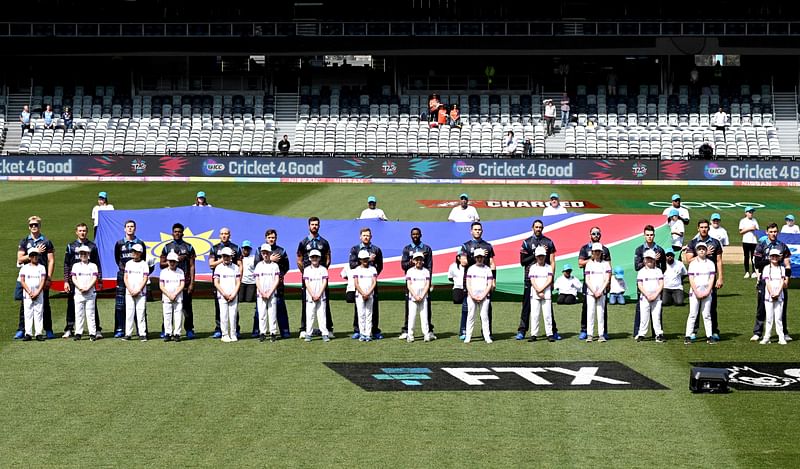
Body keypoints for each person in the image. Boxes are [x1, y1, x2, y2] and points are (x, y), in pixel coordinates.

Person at [15, 215, 55, 340]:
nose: (33, 227)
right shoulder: (24, 241)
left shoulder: (46, 241)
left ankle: (48, 329)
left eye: (36, 225)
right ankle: (22, 330)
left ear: (39, 226)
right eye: (31, 225)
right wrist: (34, 251)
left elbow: (51, 260)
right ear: (29, 226)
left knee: (45, 304)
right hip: (27, 277)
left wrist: (49, 277)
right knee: (24, 305)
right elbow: (20, 259)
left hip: (41, 275)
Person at [515, 219, 557, 340]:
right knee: (527, 305)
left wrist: (552, 278)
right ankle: (522, 331)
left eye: (540, 227)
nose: (538, 229)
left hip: (545, 278)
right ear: (532, 228)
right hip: (530, 278)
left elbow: (552, 261)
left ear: (542, 228)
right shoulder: (527, 242)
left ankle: (553, 331)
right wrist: (536, 253)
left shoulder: (548, 242)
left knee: (548, 306)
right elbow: (522, 262)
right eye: (536, 227)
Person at [750, 223, 792, 342]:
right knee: (761, 307)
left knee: (781, 307)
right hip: (765, 280)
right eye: (771, 231)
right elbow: (757, 264)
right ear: (767, 232)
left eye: (775, 231)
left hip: (780, 279)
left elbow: (787, 264)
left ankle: (784, 332)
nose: (773, 233)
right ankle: (758, 332)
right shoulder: (761, 245)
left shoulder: (782, 246)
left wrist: (787, 280)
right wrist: (771, 260)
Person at [685, 219, 725, 341]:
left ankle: (714, 331)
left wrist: (720, 277)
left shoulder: (715, 242)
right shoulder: (693, 243)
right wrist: (703, 253)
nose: (704, 229)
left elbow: (719, 260)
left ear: (709, 228)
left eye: (706, 227)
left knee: (712, 307)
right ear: (698, 228)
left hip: (710, 279)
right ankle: (693, 331)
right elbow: (688, 259)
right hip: (697, 280)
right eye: (701, 227)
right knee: (695, 309)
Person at [296, 217, 334, 339]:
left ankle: (328, 328)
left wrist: (322, 271)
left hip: (321, 276)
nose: (314, 226)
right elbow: (299, 260)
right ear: (309, 226)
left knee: (324, 302)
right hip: (308, 276)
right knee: (306, 302)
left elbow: (328, 258)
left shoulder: (324, 242)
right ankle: (304, 329)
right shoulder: (303, 242)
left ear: (319, 226)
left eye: (316, 224)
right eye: (312, 224)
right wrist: (305, 272)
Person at [63, 223, 103, 338]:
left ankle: (96, 329)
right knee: (72, 305)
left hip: (89, 279)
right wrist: (66, 280)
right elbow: (66, 264)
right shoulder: (71, 246)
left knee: (92, 305)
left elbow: (97, 263)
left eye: (84, 230)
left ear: (87, 232)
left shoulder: (92, 246)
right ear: (76, 232)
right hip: (74, 279)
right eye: (80, 230)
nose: (82, 232)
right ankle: (70, 328)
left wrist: (99, 279)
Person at [459, 222, 496, 340]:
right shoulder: (466, 246)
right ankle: (463, 331)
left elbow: (492, 263)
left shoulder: (488, 246)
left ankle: (487, 333)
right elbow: (463, 262)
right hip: (470, 279)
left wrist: (494, 280)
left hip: (485, 280)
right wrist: (475, 256)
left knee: (486, 309)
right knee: (466, 307)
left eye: (479, 229)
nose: (478, 231)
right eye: (475, 229)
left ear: (482, 231)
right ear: (471, 231)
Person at [159, 223, 196, 339]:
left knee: (187, 307)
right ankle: (166, 330)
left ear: (183, 233)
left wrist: (192, 283)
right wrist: (174, 260)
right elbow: (161, 264)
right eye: (175, 231)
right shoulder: (167, 247)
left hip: (184, 281)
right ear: (172, 233)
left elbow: (192, 266)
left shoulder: (189, 247)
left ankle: (189, 329)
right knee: (168, 307)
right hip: (170, 281)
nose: (177, 233)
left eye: (179, 231)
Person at [348, 227, 384, 339]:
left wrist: (371, 271)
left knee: (373, 306)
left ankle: (374, 330)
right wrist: (367, 261)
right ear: (360, 237)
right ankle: (358, 330)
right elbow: (352, 265)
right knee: (359, 307)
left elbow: (380, 266)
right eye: (364, 235)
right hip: (359, 281)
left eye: (368, 235)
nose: (366, 237)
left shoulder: (376, 249)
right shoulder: (355, 249)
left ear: (371, 236)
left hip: (371, 281)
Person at [399, 227, 434, 340]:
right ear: (411, 235)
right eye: (413, 234)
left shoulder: (426, 248)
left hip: (424, 281)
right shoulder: (407, 249)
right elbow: (403, 265)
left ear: (420, 235)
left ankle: (429, 331)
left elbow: (429, 266)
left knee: (426, 309)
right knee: (409, 309)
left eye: (417, 234)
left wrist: (429, 281)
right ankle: (406, 330)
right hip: (411, 281)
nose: (415, 236)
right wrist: (412, 260)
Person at [113, 220, 146, 338]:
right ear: (124, 229)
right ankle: (120, 328)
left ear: (135, 228)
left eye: (132, 226)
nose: (130, 229)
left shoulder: (140, 243)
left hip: (137, 276)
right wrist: (124, 269)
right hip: (123, 276)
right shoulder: (119, 243)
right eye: (128, 227)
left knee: (139, 304)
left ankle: (140, 330)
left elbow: (144, 259)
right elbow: (117, 259)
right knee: (120, 304)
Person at [632, 225, 666, 338]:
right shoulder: (639, 249)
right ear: (644, 235)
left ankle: (657, 333)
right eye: (647, 235)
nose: (649, 237)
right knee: (640, 309)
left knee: (657, 310)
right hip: (643, 283)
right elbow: (637, 267)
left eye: (651, 235)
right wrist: (648, 261)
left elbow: (664, 267)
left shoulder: (660, 250)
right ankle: (638, 333)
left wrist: (656, 264)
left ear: (654, 235)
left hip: (656, 282)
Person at [578, 227, 612, 340]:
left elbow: (609, 267)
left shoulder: (606, 250)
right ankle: (585, 331)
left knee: (602, 310)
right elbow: (580, 263)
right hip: (589, 284)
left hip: (602, 286)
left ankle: (603, 332)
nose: (596, 235)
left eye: (598, 233)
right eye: (593, 233)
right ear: (590, 235)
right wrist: (591, 259)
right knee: (587, 309)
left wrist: (608, 284)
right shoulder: (584, 248)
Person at [256, 229, 291, 338]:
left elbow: (286, 266)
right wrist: (270, 259)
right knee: (259, 310)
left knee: (280, 307)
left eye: (273, 237)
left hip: (277, 284)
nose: (271, 239)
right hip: (262, 284)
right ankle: (257, 331)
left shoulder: (281, 250)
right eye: (269, 237)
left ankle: (284, 331)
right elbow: (256, 264)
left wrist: (279, 277)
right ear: (266, 238)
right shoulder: (259, 250)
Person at [209, 227, 242, 339]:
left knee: (234, 310)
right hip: (219, 280)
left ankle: (235, 330)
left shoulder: (236, 248)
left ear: (229, 235)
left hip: (232, 280)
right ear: (219, 235)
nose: (224, 236)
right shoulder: (215, 248)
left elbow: (240, 264)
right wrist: (222, 260)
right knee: (219, 308)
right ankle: (220, 330)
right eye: (222, 234)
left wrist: (238, 278)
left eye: (226, 234)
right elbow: (211, 264)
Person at [685, 242, 717, 345]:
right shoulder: (693, 264)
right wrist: (697, 292)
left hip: (707, 292)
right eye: (699, 249)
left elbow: (712, 278)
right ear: (696, 251)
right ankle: (688, 335)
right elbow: (691, 279)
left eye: (703, 249)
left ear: (706, 250)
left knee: (707, 314)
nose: (702, 250)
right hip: (695, 292)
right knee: (693, 314)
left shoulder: (710, 263)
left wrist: (708, 291)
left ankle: (709, 336)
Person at [464, 248, 494, 344]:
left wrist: (483, 296)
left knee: (484, 316)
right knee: (471, 316)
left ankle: (487, 337)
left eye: (481, 257)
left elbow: (489, 284)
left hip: (484, 297)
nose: (479, 259)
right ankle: (468, 337)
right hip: (472, 297)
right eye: (477, 257)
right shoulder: (471, 269)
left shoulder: (488, 269)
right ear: (475, 258)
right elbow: (468, 284)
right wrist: (472, 295)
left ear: (484, 258)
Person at [760, 248, 789, 345]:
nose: (774, 258)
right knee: (769, 318)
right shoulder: (766, 268)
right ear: (769, 257)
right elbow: (767, 282)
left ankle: (781, 337)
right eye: (772, 256)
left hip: (779, 296)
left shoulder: (782, 269)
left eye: (776, 256)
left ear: (779, 257)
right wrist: (772, 293)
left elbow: (782, 282)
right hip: (769, 296)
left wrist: (777, 293)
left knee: (778, 318)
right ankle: (766, 337)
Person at [635, 250, 665, 343]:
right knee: (644, 317)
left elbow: (661, 284)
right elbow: (640, 285)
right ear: (644, 260)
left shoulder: (658, 271)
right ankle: (641, 334)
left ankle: (659, 334)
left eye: (651, 258)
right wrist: (647, 294)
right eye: (647, 258)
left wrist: (655, 295)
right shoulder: (641, 272)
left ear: (654, 260)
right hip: (644, 297)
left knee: (656, 317)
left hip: (656, 298)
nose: (649, 260)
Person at [70, 246, 99, 341]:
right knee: (78, 314)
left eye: (85, 253)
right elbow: (74, 278)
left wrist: (87, 287)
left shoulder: (93, 266)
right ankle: (78, 333)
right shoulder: (75, 266)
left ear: (88, 255)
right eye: (81, 254)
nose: (83, 255)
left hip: (90, 293)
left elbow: (94, 278)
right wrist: (80, 287)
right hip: (79, 293)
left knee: (90, 313)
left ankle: (92, 333)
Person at [584, 243, 611, 343]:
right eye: (595, 251)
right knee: (590, 313)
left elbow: (607, 279)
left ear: (601, 252)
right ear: (592, 252)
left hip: (601, 293)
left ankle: (601, 335)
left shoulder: (606, 264)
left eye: (598, 251)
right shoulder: (589, 264)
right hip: (591, 293)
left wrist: (600, 291)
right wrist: (593, 291)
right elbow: (587, 280)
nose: (597, 253)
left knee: (601, 313)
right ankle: (590, 335)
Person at [19, 248, 47, 341]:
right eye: (33, 255)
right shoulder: (24, 268)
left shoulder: (41, 267)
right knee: (28, 313)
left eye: (36, 255)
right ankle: (28, 333)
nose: (35, 257)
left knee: (39, 313)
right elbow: (22, 281)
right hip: (27, 294)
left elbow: (43, 280)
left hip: (38, 293)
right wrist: (30, 292)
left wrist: (37, 292)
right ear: (29, 257)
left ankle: (39, 333)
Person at [213, 247, 241, 343]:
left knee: (233, 316)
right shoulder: (218, 267)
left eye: (227, 256)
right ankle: (224, 335)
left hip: (233, 295)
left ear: (231, 257)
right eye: (224, 256)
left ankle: (233, 334)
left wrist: (233, 294)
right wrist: (224, 294)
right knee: (223, 315)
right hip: (222, 295)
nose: (225, 258)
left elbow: (238, 282)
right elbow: (216, 283)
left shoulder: (236, 268)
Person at [254, 244, 281, 342]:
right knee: (262, 314)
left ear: (270, 253)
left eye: (267, 253)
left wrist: (270, 292)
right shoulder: (259, 265)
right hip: (261, 294)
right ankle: (262, 333)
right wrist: (262, 292)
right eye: (263, 253)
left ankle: (273, 332)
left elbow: (276, 280)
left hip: (272, 293)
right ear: (261, 254)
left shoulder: (275, 266)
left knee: (272, 313)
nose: (265, 255)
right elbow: (257, 280)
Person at [527, 246, 555, 342]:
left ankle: (549, 334)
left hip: (546, 294)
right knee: (535, 315)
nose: (540, 258)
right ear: (536, 256)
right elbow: (532, 280)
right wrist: (538, 290)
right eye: (539, 256)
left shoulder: (549, 267)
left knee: (547, 315)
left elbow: (549, 280)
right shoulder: (532, 267)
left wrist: (541, 290)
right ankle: (534, 334)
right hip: (535, 294)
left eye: (542, 256)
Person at [302, 250, 330, 342]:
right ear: (310, 258)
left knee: (322, 316)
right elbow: (306, 283)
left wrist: (319, 294)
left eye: (316, 257)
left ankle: (325, 334)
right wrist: (313, 294)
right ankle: (308, 334)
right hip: (310, 297)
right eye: (313, 257)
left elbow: (324, 282)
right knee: (310, 316)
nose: (314, 259)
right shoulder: (306, 270)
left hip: (321, 297)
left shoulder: (323, 269)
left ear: (319, 258)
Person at [123, 244, 149, 341]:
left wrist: (138, 290)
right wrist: (130, 289)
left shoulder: (144, 264)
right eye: (133, 251)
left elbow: (145, 278)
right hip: (129, 292)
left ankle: (142, 333)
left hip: (141, 293)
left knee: (140, 313)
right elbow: (125, 277)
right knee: (129, 313)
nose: (133, 253)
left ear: (140, 253)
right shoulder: (128, 263)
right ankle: (128, 334)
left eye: (136, 251)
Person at [405, 252, 432, 342]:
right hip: (413, 298)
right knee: (411, 317)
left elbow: (427, 285)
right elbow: (409, 285)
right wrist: (415, 296)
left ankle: (426, 334)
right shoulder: (410, 271)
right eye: (417, 259)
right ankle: (410, 335)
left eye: (420, 259)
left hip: (423, 298)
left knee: (424, 317)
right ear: (413, 261)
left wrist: (422, 295)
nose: (419, 261)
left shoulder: (426, 271)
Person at [352, 250, 378, 342]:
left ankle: (368, 334)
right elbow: (356, 283)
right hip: (360, 296)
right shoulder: (356, 270)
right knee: (361, 314)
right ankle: (362, 333)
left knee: (369, 314)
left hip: (370, 295)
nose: (365, 261)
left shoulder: (373, 269)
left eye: (366, 259)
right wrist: (363, 293)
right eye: (363, 259)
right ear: (360, 260)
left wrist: (368, 293)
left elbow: (374, 282)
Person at [159, 251, 185, 342]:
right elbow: (161, 286)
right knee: (167, 315)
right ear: (167, 261)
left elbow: (182, 284)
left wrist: (175, 294)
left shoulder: (180, 272)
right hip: (166, 297)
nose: (172, 263)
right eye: (170, 261)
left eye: (174, 261)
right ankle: (168, 333)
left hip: (178, 297)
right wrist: (169, 294)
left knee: (178, 315)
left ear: (177, 262)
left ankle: (177, 333)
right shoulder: (163, 272)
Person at [739, 206, 760, 279]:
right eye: (749, 212)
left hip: (754, 241)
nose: (751, 213)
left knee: (754, 257)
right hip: (746, 241)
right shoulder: (743, 221)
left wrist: (754, 229)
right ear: (746, 213)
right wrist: (750, 228)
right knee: (746, 256)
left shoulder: (755, 220)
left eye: (752, 212)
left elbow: (757, 230)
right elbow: (741, 231)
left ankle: (754, 271)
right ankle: (747, 272)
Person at [238, 240, 256, 305]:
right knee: (240, 300)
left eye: (248, 248)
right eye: (245, 248)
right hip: (241, 282)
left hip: (252, 282)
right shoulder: (238, 258)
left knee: (249, 300)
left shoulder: (254, 258)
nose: (246, 250)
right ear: (242, 248)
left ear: (250, 249)